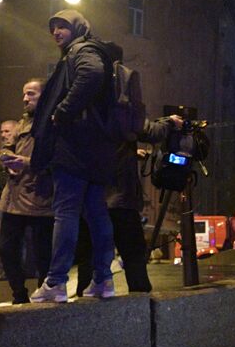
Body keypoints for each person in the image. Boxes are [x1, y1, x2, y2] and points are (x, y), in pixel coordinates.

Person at [29, 9, 117, 303]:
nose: (56, 32)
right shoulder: (90, 50)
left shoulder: (81, 50)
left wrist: (61, 112)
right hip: (95, 147)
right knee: (96, 213)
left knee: (65, 212)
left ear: (78, 28)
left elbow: (91, 74)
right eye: (53, 27)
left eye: (63, 26)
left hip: (74, 146)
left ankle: (55, 282)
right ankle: (103, 280)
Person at [74, 111, 183, 295]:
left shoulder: (82, 113)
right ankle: (141, 307)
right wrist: (170, 122)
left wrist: (131, 152)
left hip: (89, 199)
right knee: (134, 257)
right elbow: (149, 131)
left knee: (89, 259)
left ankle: (85, 307)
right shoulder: (118, 109)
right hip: (119, 199)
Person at [0, 79, 54, 305]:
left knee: (43, 254)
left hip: (40, 197)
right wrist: (6, 157)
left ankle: (43, 295)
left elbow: (57, 160)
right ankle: (19, 295)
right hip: (13, 196)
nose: (25, 99)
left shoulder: (51, 124)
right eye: (24, 94)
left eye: (31, 94)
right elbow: (8, 146)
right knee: (5, 248)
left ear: (44, 96)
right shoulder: (22, 123)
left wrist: (27, 162)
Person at [0, 119, 17, 205]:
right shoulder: (4, 151)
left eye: (7, 131)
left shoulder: (19, 152)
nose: (3, 135)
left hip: (12, 201)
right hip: (1, 199)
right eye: (1, 132)